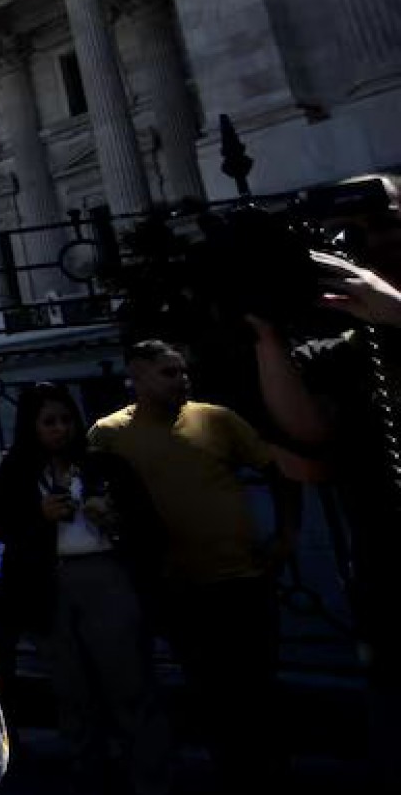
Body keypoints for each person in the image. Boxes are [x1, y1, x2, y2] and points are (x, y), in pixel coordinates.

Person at [90, 339, 302, 795]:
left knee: (259, 689)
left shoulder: (216, 419)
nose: (182, 380)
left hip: (244, 579)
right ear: (138, 376)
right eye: (169, 372)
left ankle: (272, 774)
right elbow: (90, 489)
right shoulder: (110, 434)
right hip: (178, 585)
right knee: (210, 691)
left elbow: (277, 469)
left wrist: (286, 536)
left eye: (183, 371)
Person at [246, 174, 401, 777]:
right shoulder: (346, 348)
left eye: (385, 223)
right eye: (355, 234)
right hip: (389, 594)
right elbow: (304, 441)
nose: (370, 246)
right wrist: (266, 336)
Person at [0, 383, 167, 795]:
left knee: (129, 681)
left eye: (66, 420)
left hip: (104, 575)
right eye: (48, 422)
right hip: (48, 585)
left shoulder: (105, 467)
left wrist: (113, 520)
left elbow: (145, 523)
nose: (59, 429)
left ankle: (150, 778)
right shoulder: (11, 471)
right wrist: (38, 516)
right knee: (73, 691)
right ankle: (91, 775)